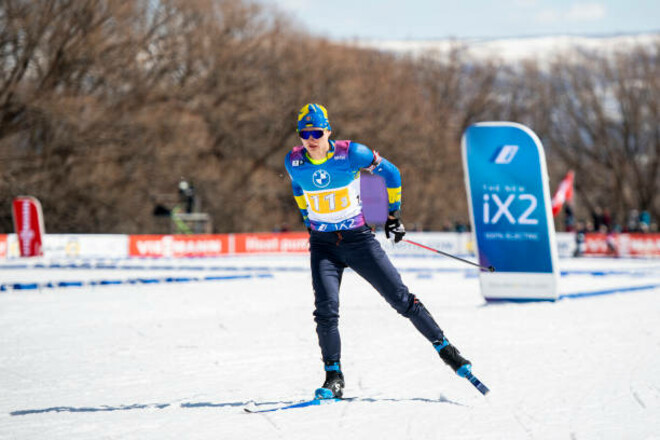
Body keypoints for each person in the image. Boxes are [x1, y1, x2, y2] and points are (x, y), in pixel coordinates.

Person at [284, 103, 473, 399]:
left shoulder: (351, 154)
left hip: (357, 240)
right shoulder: (293, 162)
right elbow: (298, 187)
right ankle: (333, 377)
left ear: (328, 131)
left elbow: (392, 174)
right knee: (325, 311)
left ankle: (447, 349)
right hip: (323, 246)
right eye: (304, 132)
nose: (311, 138)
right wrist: (307, 218)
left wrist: (393, 215)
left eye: (316, 131)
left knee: (401, 300)